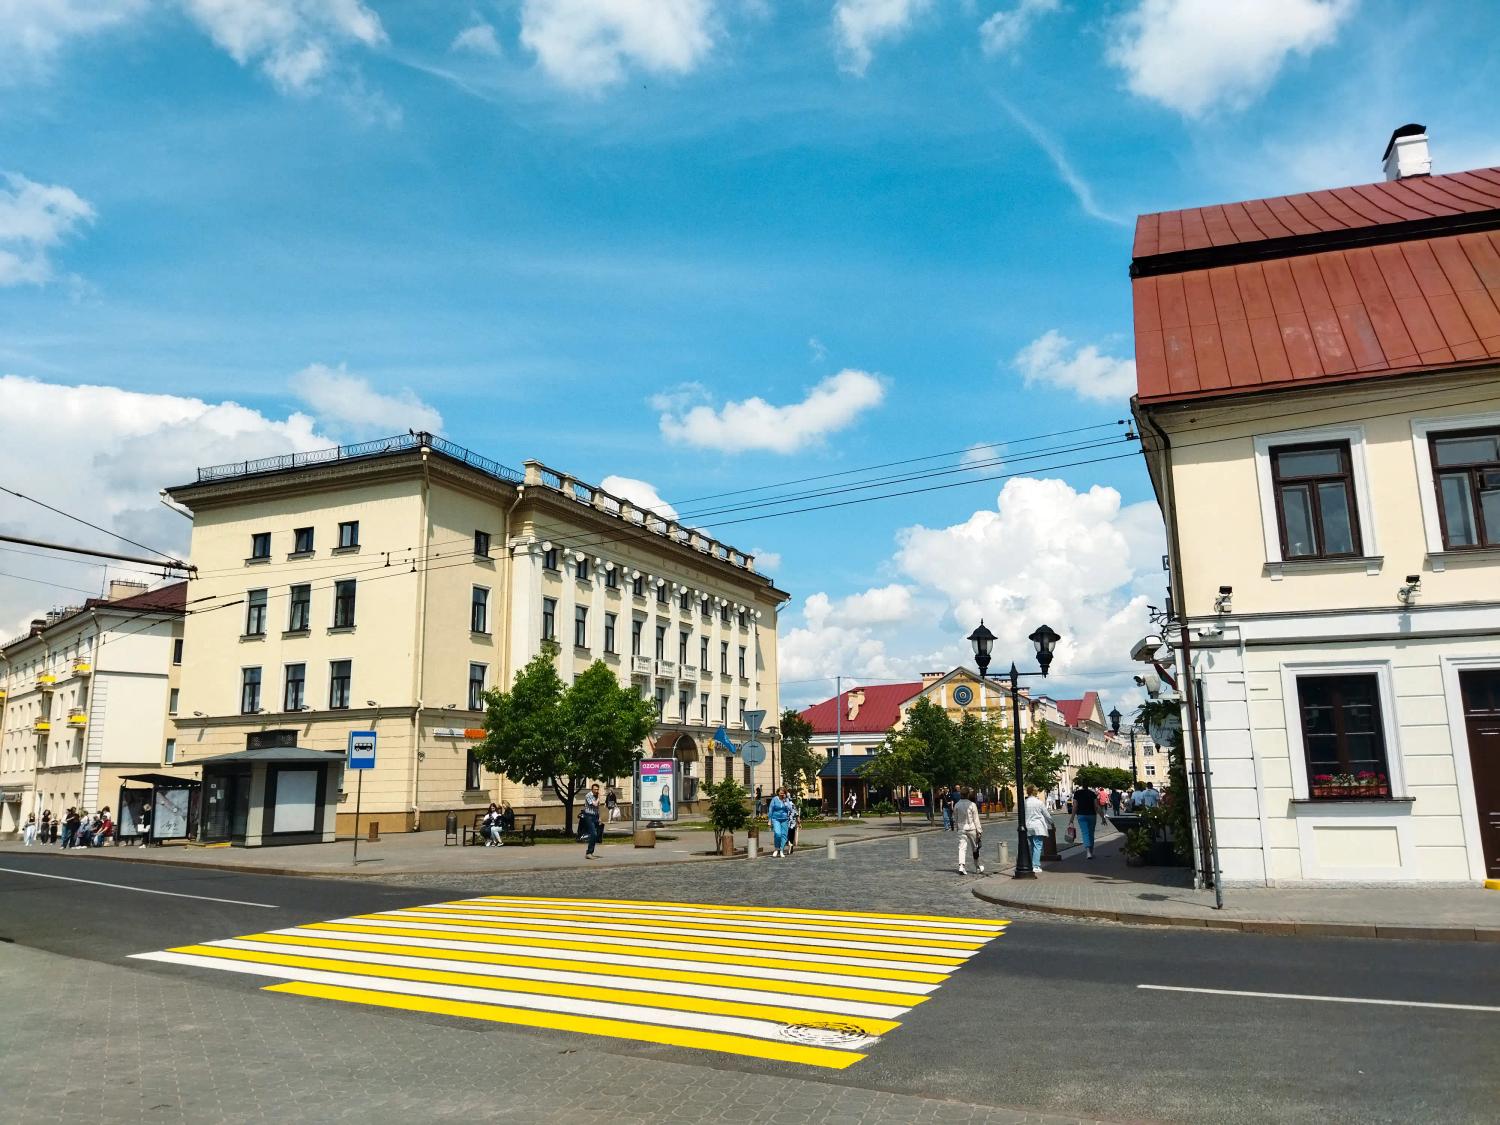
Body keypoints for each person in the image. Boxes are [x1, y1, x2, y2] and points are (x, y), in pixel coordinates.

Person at [955, 787, 984, 876]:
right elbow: (976, 819)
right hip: (971, 828)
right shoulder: (972, 805)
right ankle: (977, 866)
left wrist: (957, 827)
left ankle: (961, 866)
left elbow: (955, 818)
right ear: (968, 794)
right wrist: (979, 831)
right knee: (975, 848)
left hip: (961, 828)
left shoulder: (957, 805)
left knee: (962, 847)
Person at [1023, 786, 1050, 874]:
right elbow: (1046, 814)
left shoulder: (1025, 802)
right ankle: (1036, 866)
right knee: (1038, 845)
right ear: (1035, 792)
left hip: (1028, 826)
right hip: (1038, 826)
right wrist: (1051, 822)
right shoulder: (1039, 802)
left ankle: (1032, 864)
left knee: (1032, 846)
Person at [1071, 780, 1100, 859]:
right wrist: (1103, 817)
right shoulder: (1092, 793)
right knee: (1091, 833)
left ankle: (1088, 852)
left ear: (1082, 785)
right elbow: (1096, 806)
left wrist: (1072, 819)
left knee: (1085, 833)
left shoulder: (1077, 793)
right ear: (1088, 785)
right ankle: (1091, 851)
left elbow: (1075, 806)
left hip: (1081, 815)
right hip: (1092, 815)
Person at [580, 783, 604, 859]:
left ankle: (590, 852)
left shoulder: (596, 796)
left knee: (596, 834)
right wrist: (599, 797)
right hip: (588, 816)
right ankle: (589, 853)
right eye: (595, 789)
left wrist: (599, 817)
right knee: (593, 833)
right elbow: (595, 804)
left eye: (597, 789)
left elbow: (597, 808)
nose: (596, 791)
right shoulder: (588, 795)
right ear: (592, 789)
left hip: (595, 816)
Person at [768, 787, 793, 857]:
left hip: (784, 819)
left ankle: (781, 850)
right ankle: (776, 848)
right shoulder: (774, 799)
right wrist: (769, 820)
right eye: (781, 792)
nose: (782, 793)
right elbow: (771, 810)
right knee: (777, 833)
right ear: (778, 792)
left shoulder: (786, 800)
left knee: (784, 835)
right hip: (776, 819)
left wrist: (785, 801)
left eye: (783, 792)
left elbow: (790, 809)